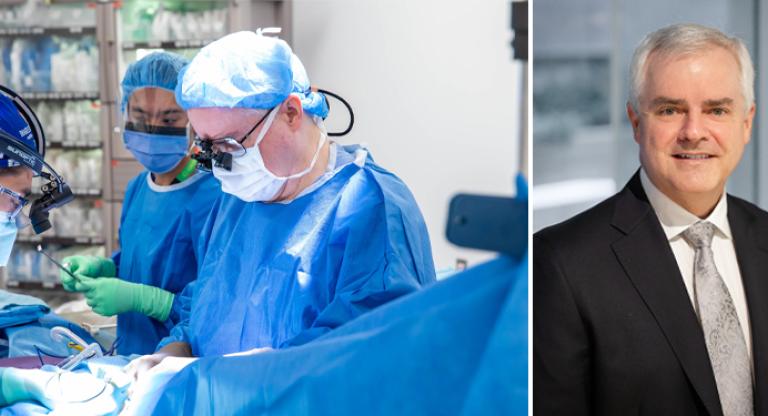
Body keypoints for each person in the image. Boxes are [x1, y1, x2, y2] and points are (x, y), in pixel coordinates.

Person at [128, 31, 435, 375]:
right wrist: (177, 348)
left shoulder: (369, 207)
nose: (220, 163)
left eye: (229, 144)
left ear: (290, 112)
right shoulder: (238, 201)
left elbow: (371, 355)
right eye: (206, 146)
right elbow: (204, 303)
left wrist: (250, 377)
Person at [534, 24, 766, 416]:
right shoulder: (562, 264)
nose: (694, 132)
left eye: (716, 110)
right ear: (636, 122)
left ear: (745, 123)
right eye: (670, 110)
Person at [59, 52, 222, 355]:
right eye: (140, 116)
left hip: (177, 363)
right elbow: (142, 262)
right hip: (130, 354)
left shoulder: (215, 197)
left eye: (169, 118)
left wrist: (145, 300)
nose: (151, 128)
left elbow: (214, 305)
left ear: (195, 121)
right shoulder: (138, 188)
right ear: (125, 112)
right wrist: (106, 268)